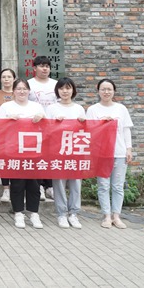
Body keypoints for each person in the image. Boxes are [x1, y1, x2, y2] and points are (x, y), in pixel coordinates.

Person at [0, 78, 46, 229]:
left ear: (29, 91)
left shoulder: (36, 106)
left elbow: (47, 127)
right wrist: (8, 120)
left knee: (34, 184)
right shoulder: (6, 107)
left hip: (34, 151)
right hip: (14, 151)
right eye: (18, 89)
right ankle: (18, 212)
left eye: (24, 88)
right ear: (13, 91)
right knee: (17, 184)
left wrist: (42, 118)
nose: (21, 91)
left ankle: (34, 213)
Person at [86, 78, 133, 230]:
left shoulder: (121, 109)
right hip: (101, 153)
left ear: (114, 91)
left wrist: (129, 149)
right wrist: (101, 123)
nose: (106, 92)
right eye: (103, 89)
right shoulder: (93, 110)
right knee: (103, 185)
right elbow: (89, 131)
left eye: (109, 89)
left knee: (118, 186)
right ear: (98, 91)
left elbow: (126, 130)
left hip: (119, 152)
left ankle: (116, 216)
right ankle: (106, 215)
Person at [45, 77, 86, 229]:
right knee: (59, 183)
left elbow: (86, 131)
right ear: (57, 91)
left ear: (73, 90)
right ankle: (61, 214)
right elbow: (45, 130)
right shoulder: (51, 108)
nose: (65, 91)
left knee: (75, 183)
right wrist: (54, 123)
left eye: (68, 88)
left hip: (75, 150)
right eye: (62, 88)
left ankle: (74, 213)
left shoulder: (79, 108)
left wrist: (83, 123)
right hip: (58, 150)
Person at [28, 56, 58, 201]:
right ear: (34, 68)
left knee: (51, 155)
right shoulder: (29, 84)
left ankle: (50, 186)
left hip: (53, 126)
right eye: (41, 66)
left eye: (47, 66)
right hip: (34, 127)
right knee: (37, 156)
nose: (45, 69)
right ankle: (39, 185)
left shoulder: (55, 84)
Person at [0, 68, 16, 202]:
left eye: (9, 77)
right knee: (3, 161)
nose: (6, 79)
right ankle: (6, 189)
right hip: (2, 132)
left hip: (18, 134)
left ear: (14, 79)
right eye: (4, 77)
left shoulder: (20, 92)